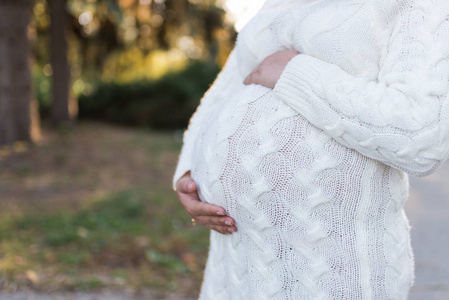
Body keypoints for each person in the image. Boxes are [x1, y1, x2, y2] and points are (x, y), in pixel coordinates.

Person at [174, 0, 449, 299]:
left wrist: (294, 74)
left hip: (330, 266)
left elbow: (421, 135)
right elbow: (227, 87)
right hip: (237, 260)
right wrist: (188, 173)